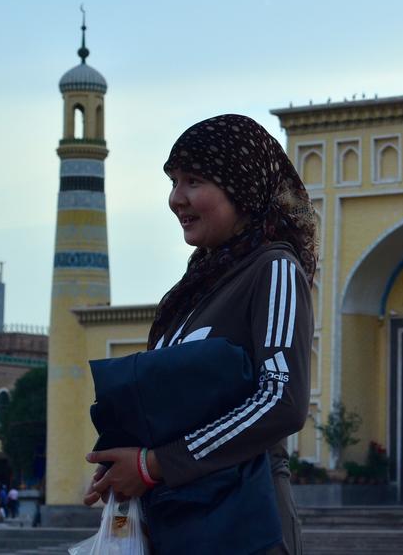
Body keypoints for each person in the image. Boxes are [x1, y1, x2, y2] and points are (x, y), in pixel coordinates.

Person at [83, 114, 317, 554]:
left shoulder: (274, 270)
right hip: (184, 521)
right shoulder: (196, 290)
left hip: (246, 527)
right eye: (173, 181)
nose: (176, 198)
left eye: (194, 181)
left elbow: (280, 400)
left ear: (242, 186)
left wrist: (154, 464)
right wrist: (125, 462)